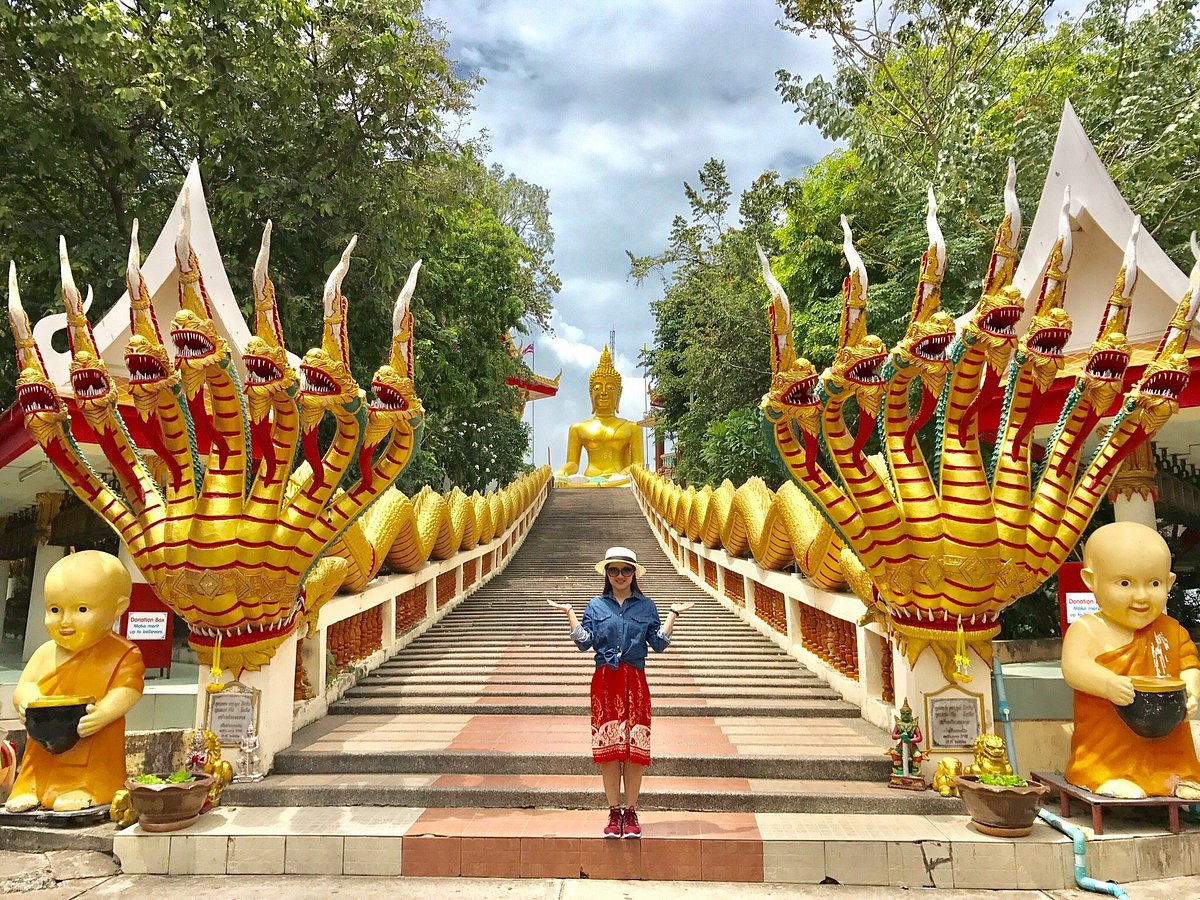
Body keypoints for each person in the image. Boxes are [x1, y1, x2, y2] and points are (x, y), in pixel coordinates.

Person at [547, 546, 693, 837]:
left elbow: (659, 644)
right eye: (613, 570)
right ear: (606, 574)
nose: (620, 575)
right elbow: (584, 642)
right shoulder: (595, 606)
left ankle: (632, 812)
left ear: (635, 573)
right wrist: (570, 614)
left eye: (626, 570)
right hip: (605, 681)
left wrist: (673, 616)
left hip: (635, 681)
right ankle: (614, 813)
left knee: (635, 751)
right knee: (609, 751)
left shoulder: (647, 606)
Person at [1062, 521, 1200, 799]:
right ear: (1091, 581)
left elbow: (1188, 663)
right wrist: (1108, 683)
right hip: (1109, 737)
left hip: (1167, 728)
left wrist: (1191, 688)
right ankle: (1106, 774)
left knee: (1173, 745)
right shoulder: (1087, 629)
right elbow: (1074, 667)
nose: (1141, 596)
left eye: (1155, 583)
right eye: (1124, 583)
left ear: (1170, 582)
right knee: (1109, 748)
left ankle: (1176, 776)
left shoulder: (1171, 630)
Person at [5, 551, 145, 812]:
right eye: (55, 610)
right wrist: (25, 699)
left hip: (91, 733)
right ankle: (31, 787)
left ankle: (90, 788)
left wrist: (103, 713)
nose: (65, 622)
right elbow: (26, 683)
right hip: (45, 734)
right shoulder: (46, 652)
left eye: (81, 609)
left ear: (118, 608)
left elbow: (128, 688)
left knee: (92, 756)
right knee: (37, 761)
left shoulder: (122, 653)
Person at [555, 346, 643, 484]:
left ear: (619, 393)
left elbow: (638, 464)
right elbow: (573, 463)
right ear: (591, 393)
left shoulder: (632, 427)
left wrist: (623, 475)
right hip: (589, 479)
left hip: (620, 481)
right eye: (597, 388)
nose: (603, 392)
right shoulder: (578, 428)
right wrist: (562, 472)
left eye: (610, 388)